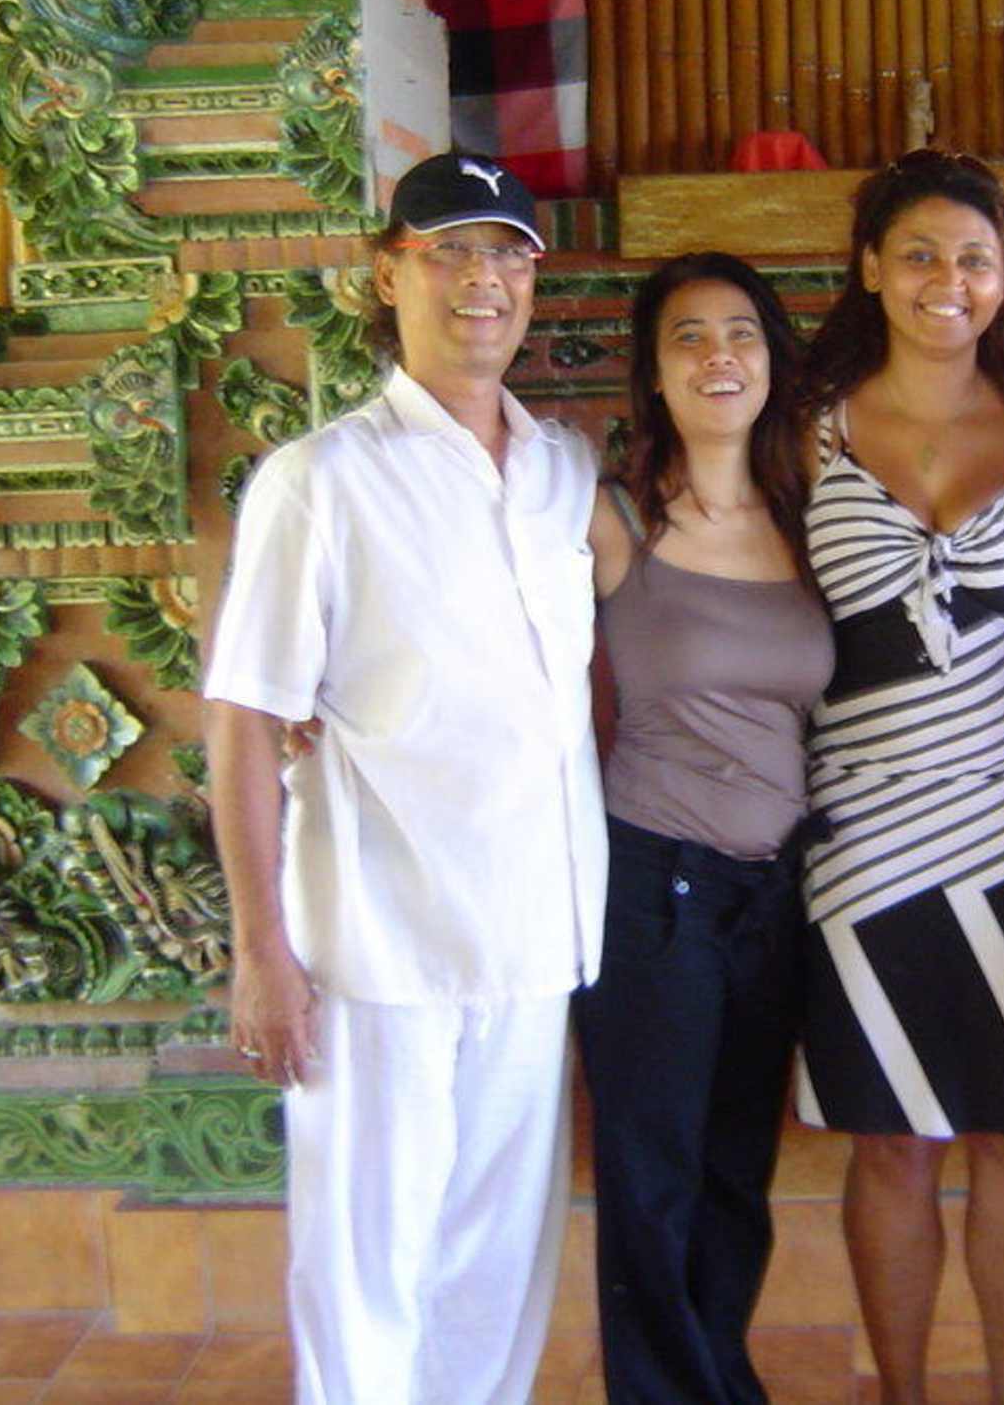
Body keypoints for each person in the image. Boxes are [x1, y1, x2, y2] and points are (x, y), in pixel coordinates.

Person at [201, 151, 604, 1405]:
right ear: (390, 275)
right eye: (452, 251)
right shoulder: (320, 480)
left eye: (508, 254)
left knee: (496, 1266)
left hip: (533, 938)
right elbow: (243, 721)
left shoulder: (564, 471)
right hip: (376, 953)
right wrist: (262, 952)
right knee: (364, 1269)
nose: (484, 279)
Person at [797, 149, 1004, 1405]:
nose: (948, 280)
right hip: (861, 842)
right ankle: (903, 1393)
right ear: (871, 269)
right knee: (888, 1143)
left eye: (975, 258)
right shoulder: (806, 430)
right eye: (920, 254)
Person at [573, 252, 835, 1405]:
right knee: (652, 1177)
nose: (718, 356)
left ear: (773, 362)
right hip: (653, 886)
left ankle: (718, 1377)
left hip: (775, 895)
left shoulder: (809, 519)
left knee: (736, 1171)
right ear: (653, 371)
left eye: (741, 333)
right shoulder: (615, 518)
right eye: (688, 335)